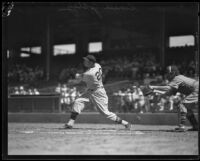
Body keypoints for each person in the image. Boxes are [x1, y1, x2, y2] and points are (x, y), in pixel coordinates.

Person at [64, 55, 132, 130]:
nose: (84, 62)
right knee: (78, 101)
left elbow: (78, 80)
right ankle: (70, 123)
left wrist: (74, 76)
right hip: (90, 91)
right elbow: (84, 75)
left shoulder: (90, 74)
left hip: (98, 93)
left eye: (86, 61)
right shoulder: (97, 65)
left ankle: (126, 123)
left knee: (105, 113)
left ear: (90, 62)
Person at [150, 65, 199, 132]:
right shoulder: (176, 80)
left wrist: (153, 87)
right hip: (196, 89)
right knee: (186, 108)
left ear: (173, 73)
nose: (167, 75)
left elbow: (167, 88)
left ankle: (182, 126)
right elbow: (168, 93)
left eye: (169, 73)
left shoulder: (177, 78)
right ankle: (196, 126)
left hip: (197, 89)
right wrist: (154, 91)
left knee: (182, 105)